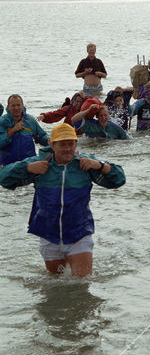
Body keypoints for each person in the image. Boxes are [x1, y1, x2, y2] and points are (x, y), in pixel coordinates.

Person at [0, 123, 125, 277]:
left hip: (79, 233)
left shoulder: (85, 163)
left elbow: (119, 179)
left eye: (71, 144)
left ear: (76, 144)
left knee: (81, 284)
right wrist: (27, 169)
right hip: (48, 234)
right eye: (62, 144)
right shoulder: (40, 163)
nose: (67, 149)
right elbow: (4, 178)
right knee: (57, 285)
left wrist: (100, 166)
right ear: (52, 145)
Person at [0, 94, 49, 166]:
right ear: (8, 107)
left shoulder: (30, 120)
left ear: (23, 106)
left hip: (29, 164)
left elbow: (41, 136)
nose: (16, 108)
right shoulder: (2, 121)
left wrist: (49, 140)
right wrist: (12, 130)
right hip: (7, 166)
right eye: (13, 105)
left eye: (18, 105)